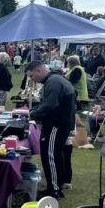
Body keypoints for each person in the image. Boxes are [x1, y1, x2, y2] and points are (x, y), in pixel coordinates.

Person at [27, 60, 77, 199]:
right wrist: (35, 110)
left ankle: (54, 190)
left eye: (31, 76)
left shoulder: (53, 82)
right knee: (54, 155)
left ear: (38, 71)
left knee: (51, 156)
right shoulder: (55, 79)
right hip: (59, 123)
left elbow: (50, 105)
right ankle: (55, 186)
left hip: (57, 124)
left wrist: (33, 114)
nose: (32, 80)